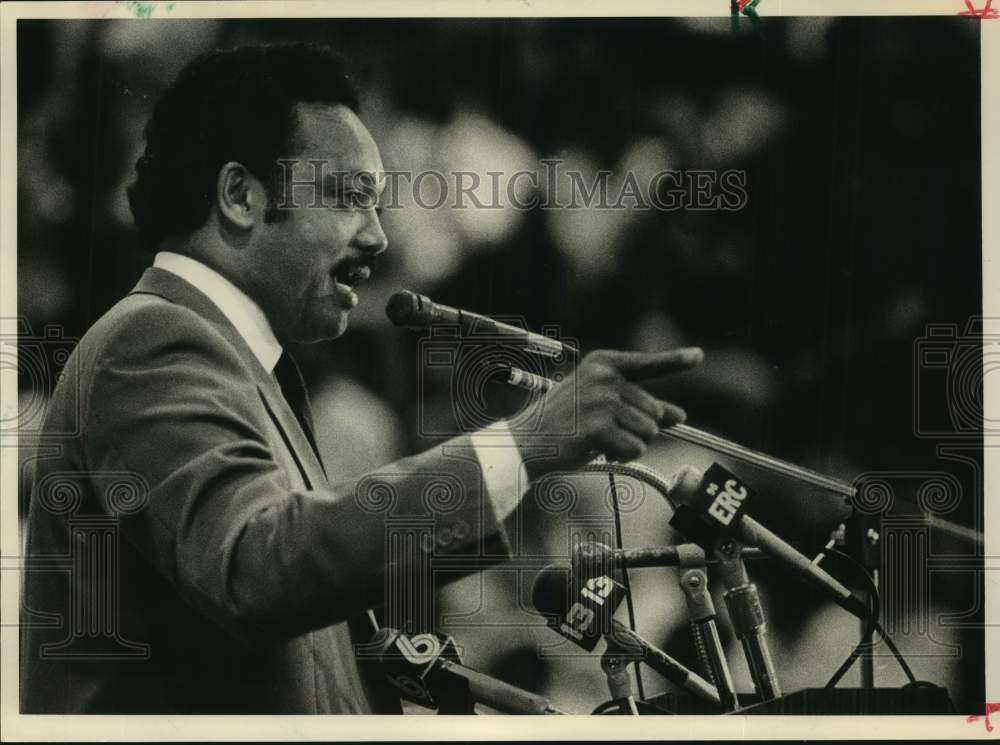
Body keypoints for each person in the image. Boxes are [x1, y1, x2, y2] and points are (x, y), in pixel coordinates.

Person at [19, 42, 702, 714]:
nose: (379, 236)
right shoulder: (154, 340)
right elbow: (257, 569)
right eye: (350, 198)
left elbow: (306, 594)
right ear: (240, 196)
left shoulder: (231, 358)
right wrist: (525, 444)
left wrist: (532, 459)